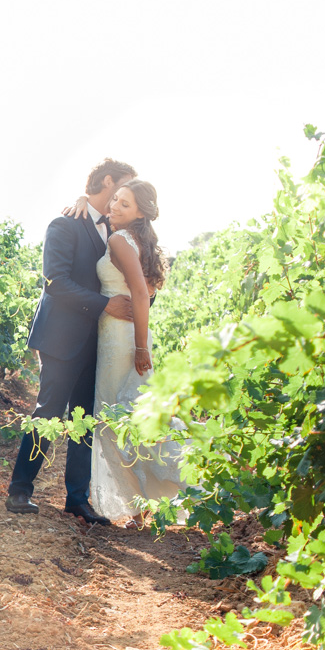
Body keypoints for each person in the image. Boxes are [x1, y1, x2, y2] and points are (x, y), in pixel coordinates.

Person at [6, 159, 137, 524]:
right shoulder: (64, 224)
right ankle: (20, 489)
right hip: (62, 336)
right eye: (126, 185)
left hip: (100, 341)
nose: (129, 193)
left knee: (85, 420)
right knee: (48, 412)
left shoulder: (118, 230)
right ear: (108, 182)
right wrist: (105, 304)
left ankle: (77, 499)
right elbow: (55, 282)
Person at [85, 179, 183, 525]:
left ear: (140, 212)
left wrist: (141, 347)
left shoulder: (119, 239)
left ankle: (144, 504)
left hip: (122, 340)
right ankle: (143, 506)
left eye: (124, 204)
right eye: (114, 200)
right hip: (125, 334)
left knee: (114, 420)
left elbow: (142, 296)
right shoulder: (140, 241)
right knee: (130, 418)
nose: (114, 207)